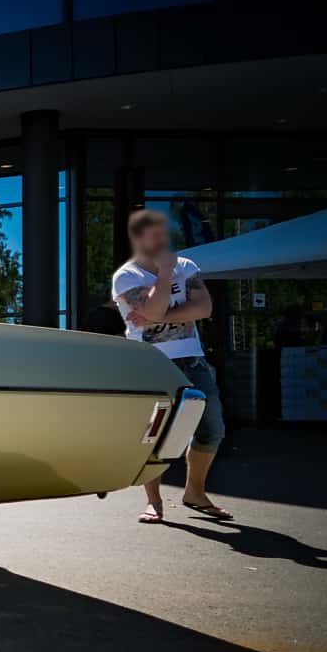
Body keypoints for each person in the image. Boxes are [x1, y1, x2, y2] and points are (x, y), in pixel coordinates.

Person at [112, 208, 228, 524]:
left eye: (164, 235)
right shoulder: (127, 276)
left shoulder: (187, 266)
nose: (162, 242)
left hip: (193, 360)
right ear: (139, 239)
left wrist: (156, 316)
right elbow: (152, 308)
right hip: (152, 363)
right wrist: (164, 276)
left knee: (212, 429)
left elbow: (204, 308)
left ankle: (195, 492)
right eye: (155, 236)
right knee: (154, 433)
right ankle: (154, 502)